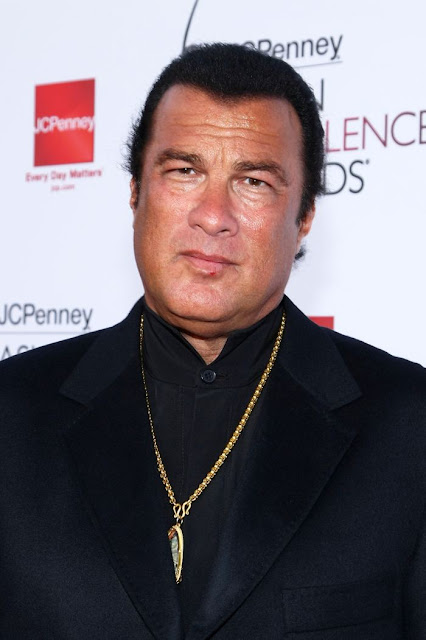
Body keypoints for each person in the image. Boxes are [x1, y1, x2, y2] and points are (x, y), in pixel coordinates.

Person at [0, 43, 425, 639]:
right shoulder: (12, 411)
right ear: (135, 192)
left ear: (304, 216)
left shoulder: (409, 424)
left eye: (253, 181)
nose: (213, 214)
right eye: (184, 171)